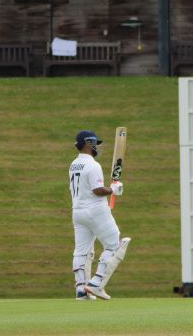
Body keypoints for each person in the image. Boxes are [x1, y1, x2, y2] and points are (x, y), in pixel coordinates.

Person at [69, 129, 130, 301]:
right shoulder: (93, 165)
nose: (97, 147)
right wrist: (113, 190)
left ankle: (81, 289)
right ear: (87, 144)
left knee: (81, 251)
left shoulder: (74, 164)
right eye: (95, 143)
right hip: (95, 210)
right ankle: (96, 284)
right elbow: (97, 190)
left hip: (78, 212)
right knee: (113, 244)